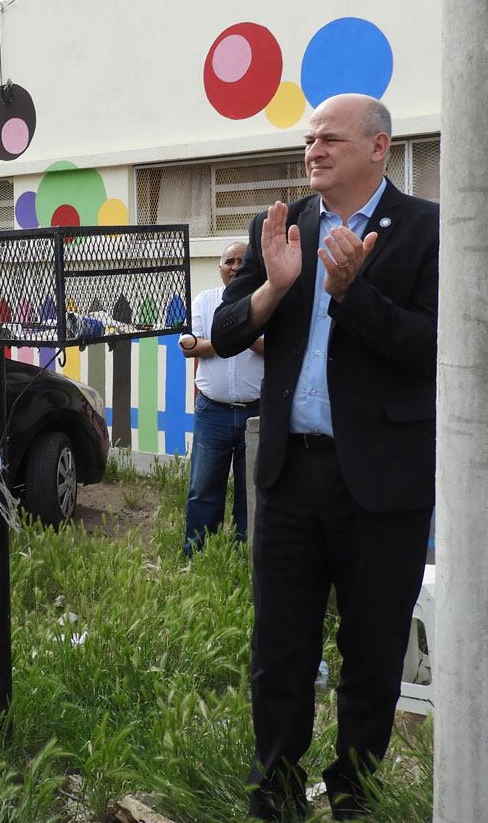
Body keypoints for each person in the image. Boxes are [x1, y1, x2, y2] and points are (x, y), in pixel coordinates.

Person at [211, 94, 438, 820]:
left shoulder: (428, 230)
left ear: (378, 147)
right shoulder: (281, 226)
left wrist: (352, 292)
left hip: (382, 483)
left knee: (371, 657)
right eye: (309, 140)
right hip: (288, 474)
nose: (313, 150)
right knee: (279, 650)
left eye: (330, 139)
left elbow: (433, 347)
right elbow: (222, 331)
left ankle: (355, 799)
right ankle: (273, 795)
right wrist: (277, 285)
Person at [177, 240, 263, 553]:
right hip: (213, 411)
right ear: (220, 268)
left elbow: (274, 349)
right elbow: (190, 347)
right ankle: (196, 554)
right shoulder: (204, 300)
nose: (236, 267)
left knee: (250, 490)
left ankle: (245, 554)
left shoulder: (264, 300)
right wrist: (243, 333)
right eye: (230, 261)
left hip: (257, 412)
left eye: (242, 261)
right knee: (203, 489)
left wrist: (221, 338)